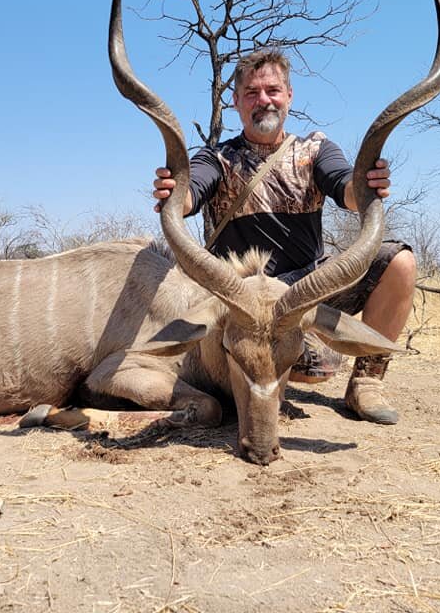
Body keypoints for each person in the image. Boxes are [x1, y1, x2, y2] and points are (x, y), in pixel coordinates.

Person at [152, 48, 416, 425]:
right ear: (236, 102)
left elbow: (346, 188)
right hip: (243, 303)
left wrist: (366, 185)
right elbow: (191, 192)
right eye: (252, 93)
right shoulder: (217, 158)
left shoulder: (315, 150)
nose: (264, 101)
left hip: (302, 294)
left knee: (399, 262)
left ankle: (366, 383)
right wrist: (174, 193)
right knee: (309, 367)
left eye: (273, 91)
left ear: (289, 95)